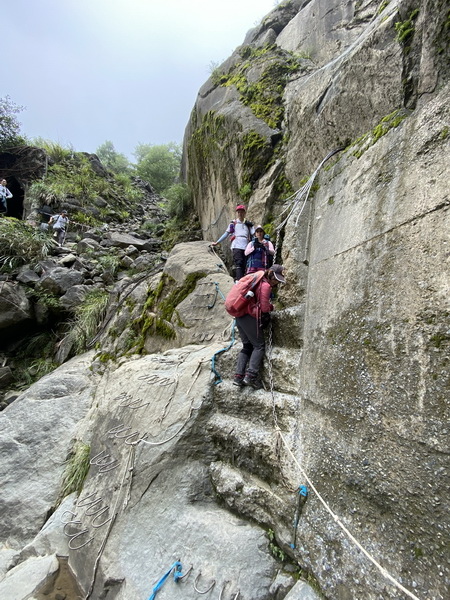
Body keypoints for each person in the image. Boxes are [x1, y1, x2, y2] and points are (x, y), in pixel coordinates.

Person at [233, 264, 286, 389]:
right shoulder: (266, 285)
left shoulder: (256, 278)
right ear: (271, 275)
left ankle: (238, 377)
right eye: (276, 280)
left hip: (239, 313)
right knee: (259, 346)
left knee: (247, 346)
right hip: (249, 316)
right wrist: (272, 307)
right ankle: (251, 376)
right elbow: (264, 308)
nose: (276, 284)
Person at [211, 204, 255, 281]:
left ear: (244, 213)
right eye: (239, 212)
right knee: (238, 263)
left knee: (245, 264)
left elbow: (254, 235)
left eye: (242, 212)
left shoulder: (248, 224)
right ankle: (239, 281)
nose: (240, 214)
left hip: (246, 246)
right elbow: (226, 234)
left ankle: (243, 281)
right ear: (237, 213)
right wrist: (217, 242)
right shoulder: (233, 223)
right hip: (236, 245)